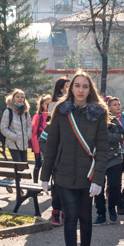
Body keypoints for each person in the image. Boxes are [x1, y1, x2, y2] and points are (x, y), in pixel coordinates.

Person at [39, 71, 109, 246]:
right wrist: (45, 175)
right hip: (63, 174)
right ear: (71, 88)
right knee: (70, 217)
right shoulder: (61, 111)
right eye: (77, 86)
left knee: (85, 218)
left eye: (85, 86)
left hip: (88, 176)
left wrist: (98, 179)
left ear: (90, 90)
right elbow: (51, 144)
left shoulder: (99, 113)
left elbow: (103, 149)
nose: (80, 90)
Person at [94, 96, 124, 226]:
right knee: (98, 188)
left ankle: (112, 208)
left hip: (114, 159)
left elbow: (120, 136)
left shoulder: (113, 121)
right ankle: (101, 214)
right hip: (98, 159)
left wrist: (105, 136)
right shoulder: (92, 122)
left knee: (115, 186)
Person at [45, 77, 69, 226]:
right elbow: (46, 137)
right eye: (67, 86)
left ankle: (67, 211)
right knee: (57, 186)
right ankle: (56, 211)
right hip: (57, 154)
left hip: (70, 153)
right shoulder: (54, 105)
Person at [0, 89, 33, 163]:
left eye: (22, 97)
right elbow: (3, 128)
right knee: (18, 165)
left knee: (24, 164)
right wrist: (15, 136)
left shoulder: (25, 112)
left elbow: (29, 126)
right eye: (17, 97)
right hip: (13, 143)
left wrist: (28, 135)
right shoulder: (8, 111)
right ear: (13, 99)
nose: (20, 99)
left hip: (24, 143)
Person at [30, 94, 52, 183]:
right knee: (38, 165)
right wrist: (37, 149)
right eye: (47, 104)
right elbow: (33, 134)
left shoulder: (53, 116)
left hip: (50, 145)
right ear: (42, 105)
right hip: (39, 145)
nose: (49, 106)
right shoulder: (38, 116)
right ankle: (35, 183)